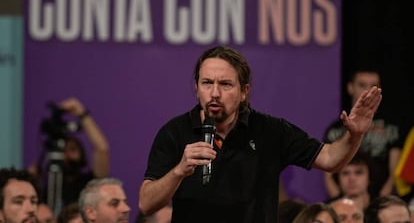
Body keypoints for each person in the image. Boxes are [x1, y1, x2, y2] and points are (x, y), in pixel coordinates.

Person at [138, 45, 382, 223]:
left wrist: (355, 135)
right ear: (196, 87)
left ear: (244, 91)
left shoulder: (270, 130)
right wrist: (179, 171)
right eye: (206, 83)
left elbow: (330, 159)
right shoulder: (174, 132)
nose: (214, 93)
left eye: (225, 84)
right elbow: (146, 203)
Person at [323, 68, 401, 199]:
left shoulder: (391, 128)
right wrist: (340, 202)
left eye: (373, 86)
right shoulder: (335, 130)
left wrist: (379, 203)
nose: (368, 92)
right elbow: (328, 170)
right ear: (350, 87)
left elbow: (395, 173)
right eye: (362, 85)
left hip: (379, 199)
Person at [29, 97, 110, 208]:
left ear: (81, 153)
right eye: (63, 149)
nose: (67, 154)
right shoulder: (48, 181)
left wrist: (82, 114)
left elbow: (102, 148)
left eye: (72, 149)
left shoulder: (89, 182)